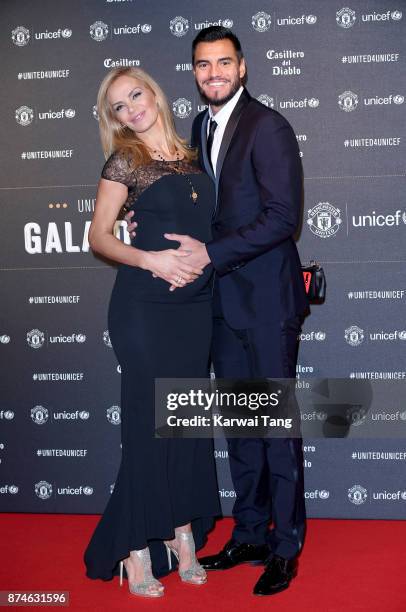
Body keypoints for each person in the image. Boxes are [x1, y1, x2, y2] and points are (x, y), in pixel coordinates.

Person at [126, 27, 309, 596]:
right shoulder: (199, 128)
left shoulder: (268, 126)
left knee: (274, 428)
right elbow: (194, 206)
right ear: (195, 72)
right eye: (203, 65)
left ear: (243, 67)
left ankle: (285, 547)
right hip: (219, 304)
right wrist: (142, 222)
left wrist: (212, 253)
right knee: (241, 428)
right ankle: (251, 531)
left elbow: (283, 216)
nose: (213, 74)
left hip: (266, 300)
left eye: (223, 63)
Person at [83, 66, 221, 599]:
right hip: (144, 308)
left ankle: (183, 535)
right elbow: (99, 235)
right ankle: (136, 547)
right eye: (119, 105)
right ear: (114, 119)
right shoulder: (125, 161)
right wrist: (149, 260)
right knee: (146, 426)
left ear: (154, 93)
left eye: (135, 95)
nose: (131, 108)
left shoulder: (194, 153)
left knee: (184, 423)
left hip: (194, 309)